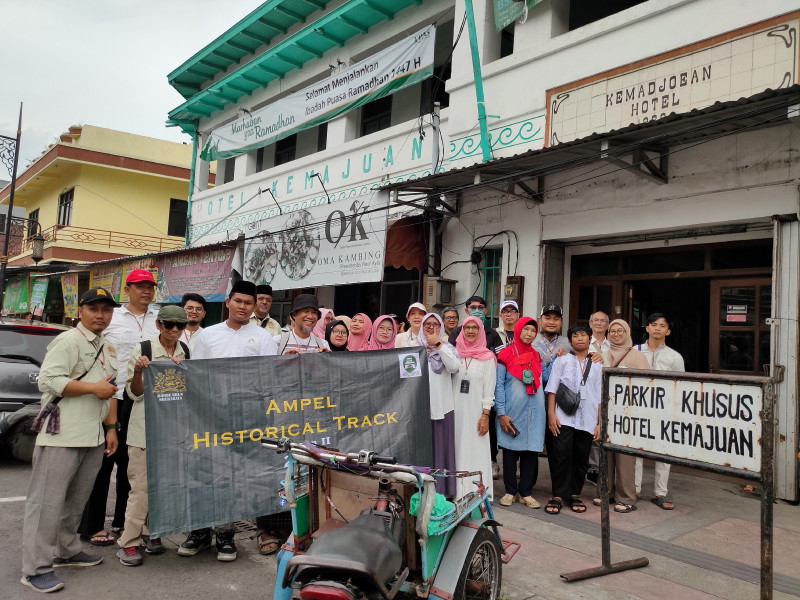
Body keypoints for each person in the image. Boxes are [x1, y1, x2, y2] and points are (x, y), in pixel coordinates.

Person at [21, 288, 120, 593]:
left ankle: (67, 550)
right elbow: (49, 380)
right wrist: (92, 389)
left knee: (76, 501)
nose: (100, 315)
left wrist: (111, 428)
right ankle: (35, 568)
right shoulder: (68, 341)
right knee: (46, 504)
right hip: (60, 434)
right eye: (94, 309)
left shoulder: (107, 347)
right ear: (81, 311)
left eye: (106, 309)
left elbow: (110, 389)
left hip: (92, 434)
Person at [179, 281, 278, 562]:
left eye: (249, 303)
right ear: (228, 302)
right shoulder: (208, 336)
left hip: (245, 415)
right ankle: (199, 532)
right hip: (209, 413)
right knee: (203, 471)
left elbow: (267, 378)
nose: (243, 307)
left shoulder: (262, 338)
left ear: (254, 306)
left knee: (233, 474)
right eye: (239, 301)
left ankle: (224, 533)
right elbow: (195, 375)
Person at [79, 269, 158, 547]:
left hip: (143, 399)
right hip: (111, 395)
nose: (145, 291)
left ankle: (125, 523)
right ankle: (92, 525)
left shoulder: (158, 320)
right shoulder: (113, 317)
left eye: (150, 286)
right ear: (128, 289)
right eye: (139, 286)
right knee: (102, 461)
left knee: (132, 464)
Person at [116, 306, 190, 566]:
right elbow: (134, 393)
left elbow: (186, 392)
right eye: (169, 324)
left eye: (179, 326)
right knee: (141, 489)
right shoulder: (144, 350)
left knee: (164, 487)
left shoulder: (185, 351)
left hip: (171, 431)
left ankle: (151, 533)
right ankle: (128, 542)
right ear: (158, 325)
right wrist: (138, 371)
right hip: (144, 432)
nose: (174, 330)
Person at [544, 324, 602, 515]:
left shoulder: (598, 363)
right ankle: (559, 495)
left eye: (583, 335)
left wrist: (599, 423)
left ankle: (575, 494)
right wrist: (552, 415)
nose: (579, 338)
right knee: (561, 455)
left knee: (581, 457)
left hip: (588, 419)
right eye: (575, 336)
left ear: (589, 338)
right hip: (563, 418)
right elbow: (552, 389)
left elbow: (600, 396)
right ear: (569, 341)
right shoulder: (562, 360)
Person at [594, 319, 649, 513]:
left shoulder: (637, 356)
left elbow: (647, 386)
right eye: (613, 331)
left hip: (629, 413)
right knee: (606, 453)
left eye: (620, 331)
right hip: (608, 411)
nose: (616, 334)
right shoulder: (602, 355)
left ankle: (626, 497)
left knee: (625, 456)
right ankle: (605, 492)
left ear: (627, 333)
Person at [634, 313, 685, 510]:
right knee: (636, 449)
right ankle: (635, 489)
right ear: (646, 328)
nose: (657, 328)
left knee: (663, 452)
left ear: (668, 331)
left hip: (665, 410)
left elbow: (681, 386)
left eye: (662, 326)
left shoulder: (674, 357)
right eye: (653, 325)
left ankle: (660, 493)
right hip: (639, 407)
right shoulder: (635, 351)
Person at [494, 317, 546, 509]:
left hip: (535, 413)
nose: (529, 334)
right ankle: (509, 491)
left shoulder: (537, 355)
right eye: (526, 329)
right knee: (509, 451)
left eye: (533, 331)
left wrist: (561, 357)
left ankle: (526, 492)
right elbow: (498, 385)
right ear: (517, 330)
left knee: (531, 452)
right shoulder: (505, 354)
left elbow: (545, 376)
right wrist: (501, 412)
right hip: (512, 411)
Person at [452, 316, 496, 500]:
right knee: (455, 449)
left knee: (476, 449)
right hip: (455, 412)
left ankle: (476, 492)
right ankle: (455, 491)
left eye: (475, 328)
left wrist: (485, 415)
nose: (470, 331)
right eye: (467, 328)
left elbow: (489, 389)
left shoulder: (488, 357)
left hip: (477, 413)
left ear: (480, 332)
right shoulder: (453, 354)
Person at [421, 312, 461, 497]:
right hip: (419, 410)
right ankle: (421, 489)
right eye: (427, 324)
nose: (430, 327)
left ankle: (443, 491)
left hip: (443, 408)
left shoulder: (448, 348)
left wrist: (438, 343)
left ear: (441, 327)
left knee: (442, 450)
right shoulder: (414, 349)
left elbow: (453, 366)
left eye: (435, 324)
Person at [586, 310, 610, 484]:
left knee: (601, 430)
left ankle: (598, 467)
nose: (599, 323)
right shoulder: (584, 341)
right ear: (590, 323)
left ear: (607, 324)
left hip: (607, 393)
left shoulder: (613, 344)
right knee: (588, 428)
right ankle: (589, 467)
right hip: (588, 392)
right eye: (596, 320)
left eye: (603, 321)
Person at [532, 304, 572, 389]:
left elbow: (581, 358)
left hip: (558, 393)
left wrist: (594, 355)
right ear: (539, 320)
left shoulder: (568, 343)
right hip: (534, 391)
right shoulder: (531, 340)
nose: (551, 322)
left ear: (561, 322)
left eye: (556, 319)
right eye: (547, 318)